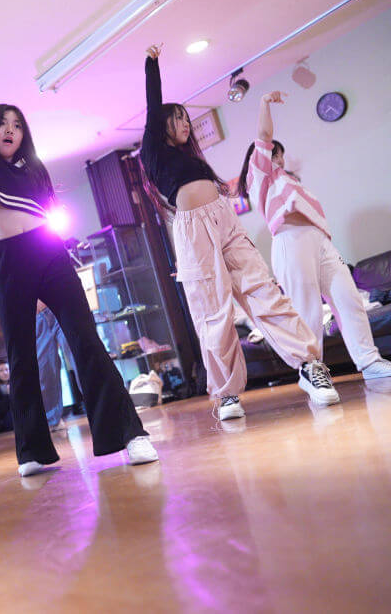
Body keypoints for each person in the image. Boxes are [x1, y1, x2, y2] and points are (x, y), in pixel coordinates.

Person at [0, 25, 157, 476]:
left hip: (48, 254)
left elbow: (49, 213)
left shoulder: (34, 169)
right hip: (9, 262)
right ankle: (32, 451)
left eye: (17, 126)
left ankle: (130, 434)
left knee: (86, 340)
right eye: (3, 124)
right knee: (21, 354)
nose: (10, 130)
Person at [138, 45, 338, 420]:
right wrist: (152, 64)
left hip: (224, 219)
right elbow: (152, 106)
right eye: (178, 118)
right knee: (212, 311)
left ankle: (310, 365)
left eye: (187, 118)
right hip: (193, 231)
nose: (185, 124)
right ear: (162, 125)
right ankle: (227, 393)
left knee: (263, 291)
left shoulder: (191, 158)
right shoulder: (153, 151)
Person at [237, 92, 391, 380]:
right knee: (308, 311)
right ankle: (314, 374)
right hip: (290, 240)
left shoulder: (290, 181)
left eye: (281, 153)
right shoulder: (260, 178)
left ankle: (369, 361)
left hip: (320, 241)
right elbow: (263, 136)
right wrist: (264, 103)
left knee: (348, 298)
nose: (279, 158)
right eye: (275, 153)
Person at [36, 301, 75, 431]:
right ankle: (52, 419)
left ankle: (104, 408)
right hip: (36, 315)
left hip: (62, 306)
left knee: (81, 359)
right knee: (44, 371)